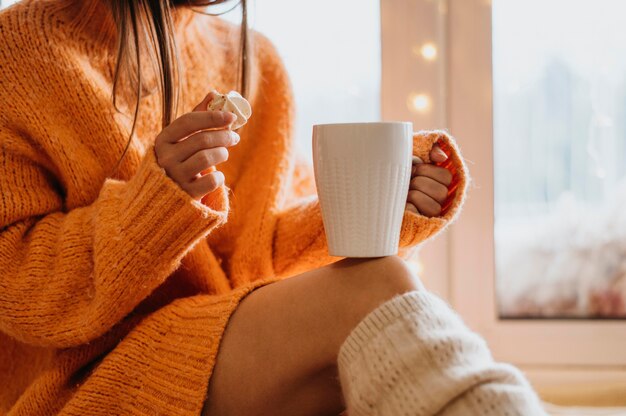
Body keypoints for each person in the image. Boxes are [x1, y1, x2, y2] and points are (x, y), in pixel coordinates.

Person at [0, 0, 546, 414]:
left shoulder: (255, 61)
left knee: (378, 307)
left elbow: (259, 252)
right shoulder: (19, 50)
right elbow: (19, 289)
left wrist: (380, 202)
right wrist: (154, 204)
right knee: (376, 290)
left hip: (225, 347)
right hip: (88, 381)